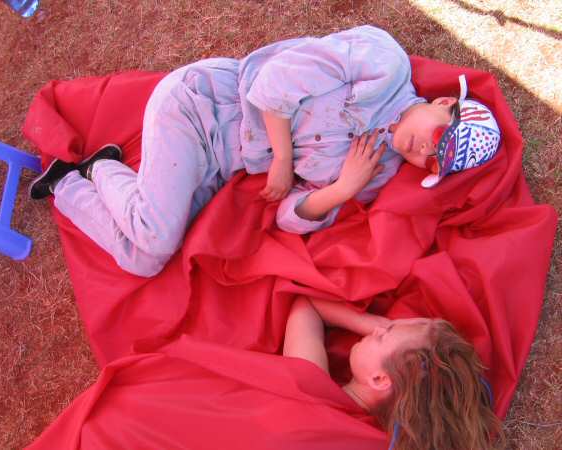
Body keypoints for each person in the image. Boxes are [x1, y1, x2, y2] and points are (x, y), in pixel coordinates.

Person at [28, 25, 501, 277]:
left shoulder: (377, 171)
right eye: (440, 136)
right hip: (202, 107)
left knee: (144, 259)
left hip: (219, 161)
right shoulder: (384, 64)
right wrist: (283, 159)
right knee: (153, 237)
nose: (423, 151)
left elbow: (288, 217)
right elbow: (275, 82)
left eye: (433, 162)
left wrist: (341, 191)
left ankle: (75, 179)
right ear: (442, 104)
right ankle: (99, 171)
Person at [283, 296, 502, 450]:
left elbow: (307, 304)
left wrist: (371, 322)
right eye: (382, 327)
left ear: (379, 379)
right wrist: (389, 331)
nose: (376, 330)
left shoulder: (311, 389)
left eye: (381, 336)